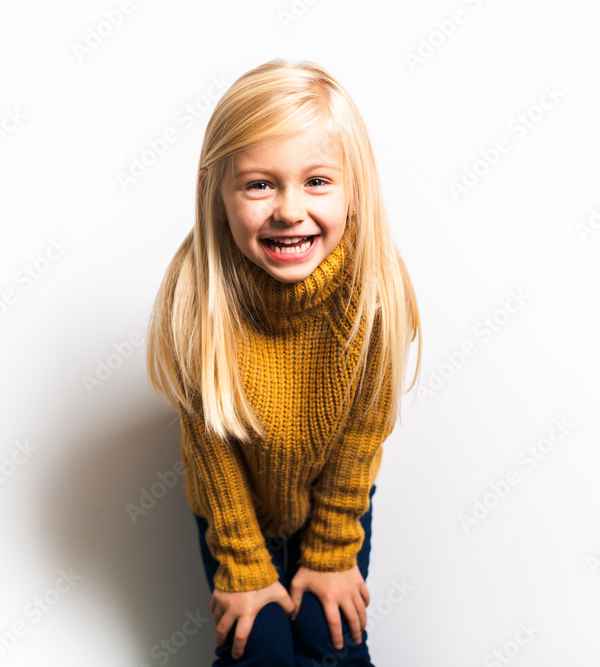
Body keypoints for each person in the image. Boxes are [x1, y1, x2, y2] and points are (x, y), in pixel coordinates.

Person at [146, 58, 421, 665]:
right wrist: (242, 564)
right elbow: (208, 443)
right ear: (216, 196)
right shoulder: (199, 290)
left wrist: (330, 552)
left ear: (355, 193)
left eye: (317, 181)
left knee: (333, 637)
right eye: (259, 184)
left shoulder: (373, 285)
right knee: (258, 646)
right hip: (232, 499)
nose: (289, 209)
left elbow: (364, 432)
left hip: (335, 494)